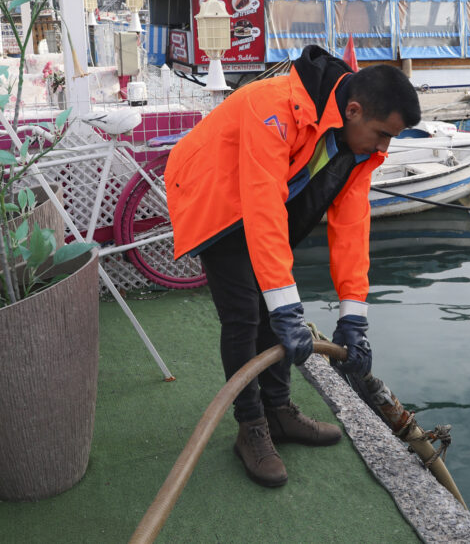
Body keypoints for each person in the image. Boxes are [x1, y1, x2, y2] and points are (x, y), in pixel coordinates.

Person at [165, 45, 421, 487]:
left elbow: (352, 229)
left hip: (262, 198)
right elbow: (260, 206)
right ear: (354, 110)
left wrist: (353, 319)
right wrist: (287, 309)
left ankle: (279, 411)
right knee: (246, 312)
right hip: (211, 191)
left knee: (273, 305)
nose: (384, 147)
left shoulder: (358, 143)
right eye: (382, 134)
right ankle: (251, 426)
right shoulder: (272, 105)